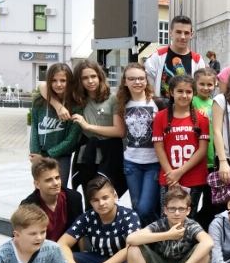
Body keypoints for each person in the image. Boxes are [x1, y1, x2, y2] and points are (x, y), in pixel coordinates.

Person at [69, 60, 127, 200]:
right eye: (85, 78)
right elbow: (44, 87)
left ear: (100, 76)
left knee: (106, 196)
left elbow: (119, 131)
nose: (90, 81)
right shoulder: (77, 99)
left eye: (93, 76)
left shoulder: (112, 98)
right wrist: (58, 107)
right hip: (87, 154)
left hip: (109, 154)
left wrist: (88, 126)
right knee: (90, 196)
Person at [153, 75, 210, 213]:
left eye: (188, 92)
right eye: (180, 91)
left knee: (189, 217)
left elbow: (202, 150)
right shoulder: (160, 117)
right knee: (168, 216)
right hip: (169, 177)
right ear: (171, 92)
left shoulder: (202, 119)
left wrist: (180, 172)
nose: (184, 95)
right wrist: (171, 175)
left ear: (193, 93)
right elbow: (159, 148)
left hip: (194, 177)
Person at [116, 63, 161, 225]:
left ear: (146, 81)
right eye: (132, 79)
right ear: (125, 82)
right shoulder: (122, 104)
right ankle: (148, 237)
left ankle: (156, 233)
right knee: (136, 207)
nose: (137, 82)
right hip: (131, 163)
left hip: (154, 163)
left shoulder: (157, 103)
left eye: (141, 78)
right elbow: (120, 131)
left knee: (144, 208)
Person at [29, 63, 82, 186]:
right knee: (41, 189)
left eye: (63, 80)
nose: (58, 84)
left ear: (70, 81)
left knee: (59, 189)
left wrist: (47, 155)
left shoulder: (76, 105)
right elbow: (34, 128)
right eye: (54, 80)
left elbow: (71, 140)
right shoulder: (39, 102)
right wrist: (35, 153)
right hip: (40, 155)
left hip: (62, 157)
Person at [21, 157, 83, 242]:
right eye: (48, 180)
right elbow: (20, 239)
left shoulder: (74, 198)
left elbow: (80, 232)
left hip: (68, 248)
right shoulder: (27, 206)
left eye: (57, 178)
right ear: (37, 184)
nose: (56, 183)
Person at [145, 15, 206, 99]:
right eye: (178, 32)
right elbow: (148, 88)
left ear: (191, 34)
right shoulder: (157, 56)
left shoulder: (197, 60)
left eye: (186, 33)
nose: (182, 37)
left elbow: (200, 89)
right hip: (161, 106)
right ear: (170, 33)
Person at [192, 67, 219, 230]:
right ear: (195, 84)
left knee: (210, 202)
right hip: (196, 161)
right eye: (202, 84)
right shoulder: (192, 101)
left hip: (211, 160)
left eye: (210, 84)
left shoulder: (215, 103)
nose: (206, 88)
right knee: (193, 201)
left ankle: (203, 230)